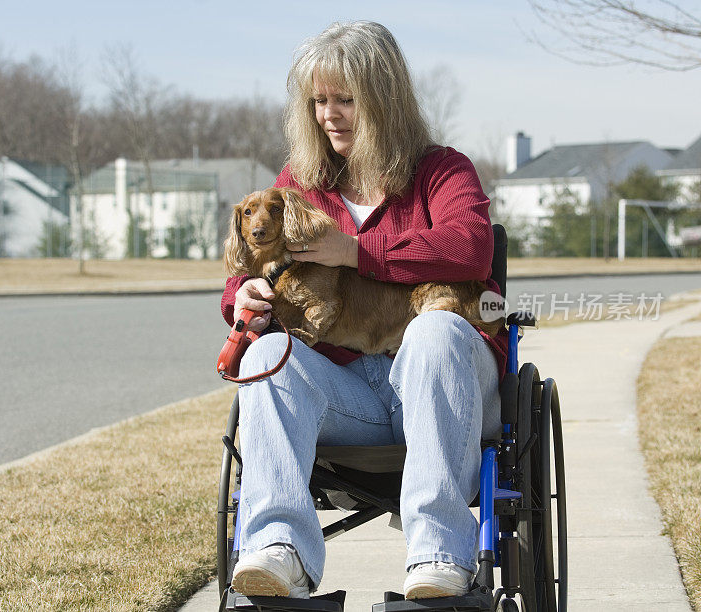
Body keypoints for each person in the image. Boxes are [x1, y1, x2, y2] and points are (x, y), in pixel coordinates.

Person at [220, 21, 507, 601]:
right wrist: (241, 299)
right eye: (318, 101)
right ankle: (277, 553)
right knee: (269, 351)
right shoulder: (302, 184)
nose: (329, 114)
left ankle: (440, 559)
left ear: (384, 100)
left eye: (345, 99)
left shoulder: (441, 170)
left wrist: (357, 252)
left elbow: (471, 250)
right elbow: (249, 266)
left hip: (442, 384)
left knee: (435, 330)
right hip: (350, 396)